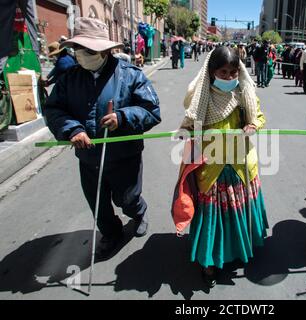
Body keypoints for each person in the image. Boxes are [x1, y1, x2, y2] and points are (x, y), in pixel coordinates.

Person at [43, 17, 161, 259]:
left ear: (105, 50)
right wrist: (72, 129)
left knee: (127, 198)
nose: (81, 54)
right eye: (77, 49)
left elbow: (151, 111)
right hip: (88, 157)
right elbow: (54, 110)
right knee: (98, 204)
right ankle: (111, 232)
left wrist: (123, 117)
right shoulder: (69, 78)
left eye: (88, 50)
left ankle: (138, 212)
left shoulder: (131, 75)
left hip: (124, 155)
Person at [178, 46, 268, 288]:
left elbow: (259, 117)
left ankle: (238, 251)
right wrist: (185, 131)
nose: (229, 77)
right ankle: (209, 260)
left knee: (239, 211)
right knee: (212, 215)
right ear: (211, 71)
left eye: (233, 72)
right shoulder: (200, 96)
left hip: (239, 163)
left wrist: (253, 126)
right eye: (223, 71)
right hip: (211, 166)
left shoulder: (244, 93)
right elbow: (189, 123)